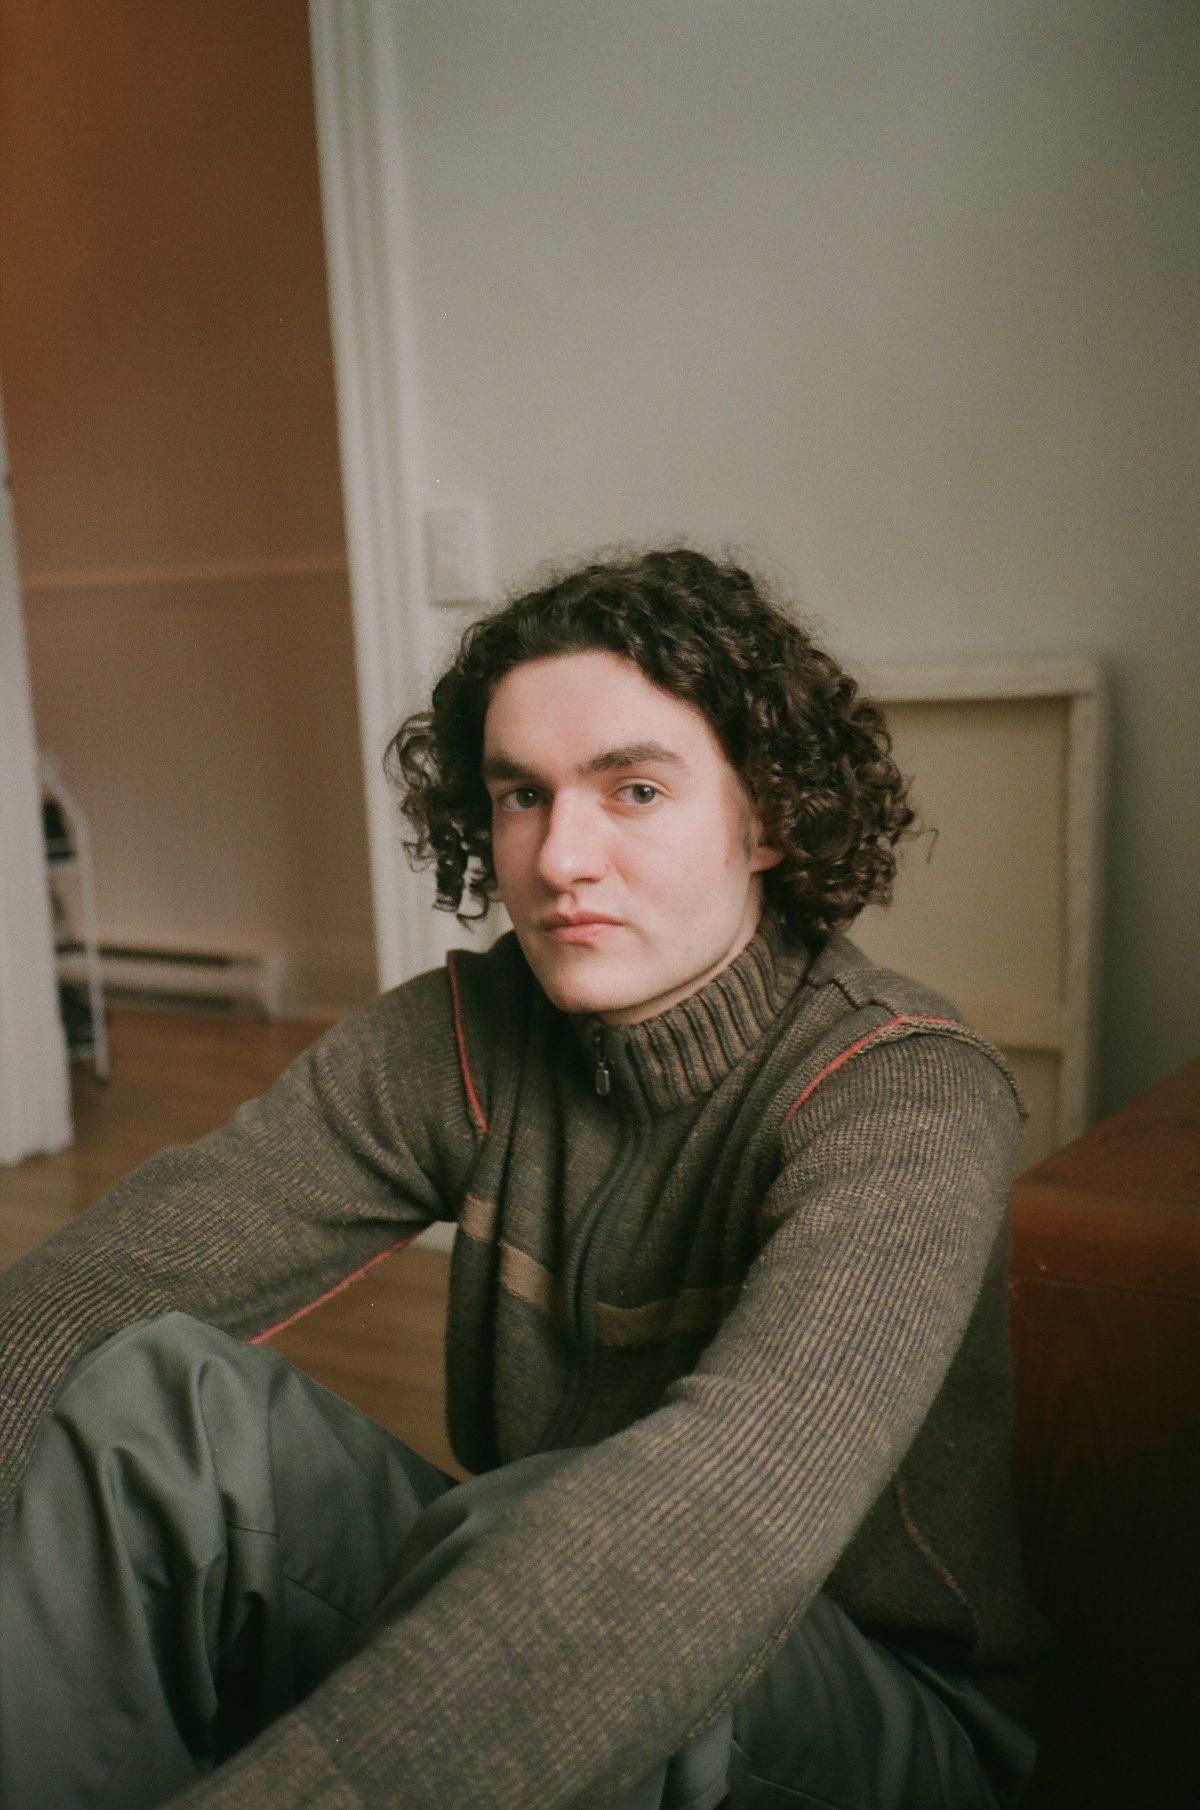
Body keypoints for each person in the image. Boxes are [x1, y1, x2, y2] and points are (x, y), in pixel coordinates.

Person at [0, 548, 1047, 1810]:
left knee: (549, 1518)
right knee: (147, 1402)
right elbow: (111, 1275)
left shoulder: (906, 1089)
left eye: (635, 790)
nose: (558, 860)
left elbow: (709, 1525)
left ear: (765, 817)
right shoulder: (468, 1036)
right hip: (547, 1613)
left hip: (871, 1721)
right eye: (521, 796)